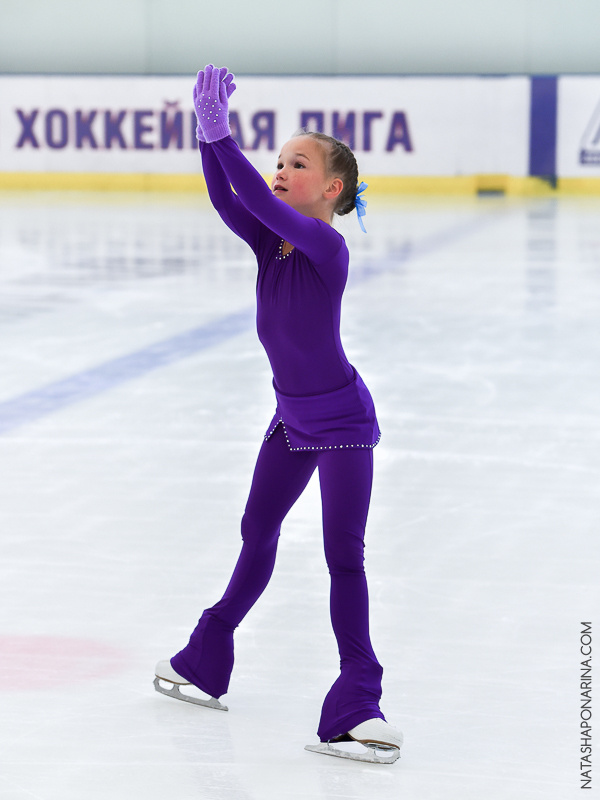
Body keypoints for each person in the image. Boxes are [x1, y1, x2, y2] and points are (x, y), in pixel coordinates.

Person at [154, 65, 403, 764]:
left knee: (341, 556)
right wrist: (208, 141)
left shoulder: (327, 246)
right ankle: (207, 654)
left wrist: (221, 135)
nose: (281, 168)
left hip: (344, 426)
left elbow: (258, 205)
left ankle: (359, 700)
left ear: (332, 189)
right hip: (292, 420)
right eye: (278, 160)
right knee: (256, 528)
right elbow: (229, 204)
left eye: (298, 163)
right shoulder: (276, 244)